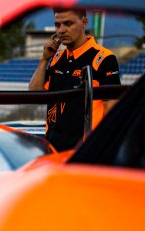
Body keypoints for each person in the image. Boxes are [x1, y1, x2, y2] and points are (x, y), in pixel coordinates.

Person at [28, 8, 120, 152]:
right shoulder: (56, 57)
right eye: (57, 25)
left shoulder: (104, 58)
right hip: (52, 148)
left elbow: (112, 109)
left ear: (84, 23)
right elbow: (34, 94)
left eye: (68, 23)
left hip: (85, 150)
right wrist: (44, 59)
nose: (61, 30)